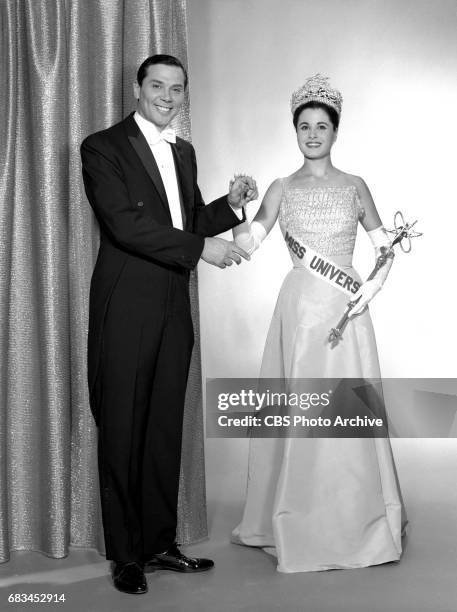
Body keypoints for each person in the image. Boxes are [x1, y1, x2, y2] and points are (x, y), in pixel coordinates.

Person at [80, 54, 257, 594]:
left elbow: (185, 220)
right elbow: (127, 226)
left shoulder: (184, 150)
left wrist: (227, 208)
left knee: (161, 429)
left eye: (176, 88)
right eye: (157, 85)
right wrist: (203, 248)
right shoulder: (101, 147)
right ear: (138, 88)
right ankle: (126, 556)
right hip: (126, 304)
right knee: (123, 428)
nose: (167, 95)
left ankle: (159, 543)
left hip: (173, 307)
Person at [231, 74, 407, 572]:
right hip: (301, 311)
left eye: (321, 126)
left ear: (335, 131)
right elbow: (249, 242)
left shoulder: (355, 186)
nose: (312, 134)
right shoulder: (280, 188)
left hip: (347, 311)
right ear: (295, 131)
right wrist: (238, 205)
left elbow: (384, 247)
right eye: (304, 126)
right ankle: (296, 515)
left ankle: (358, 516)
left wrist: (369, 287)